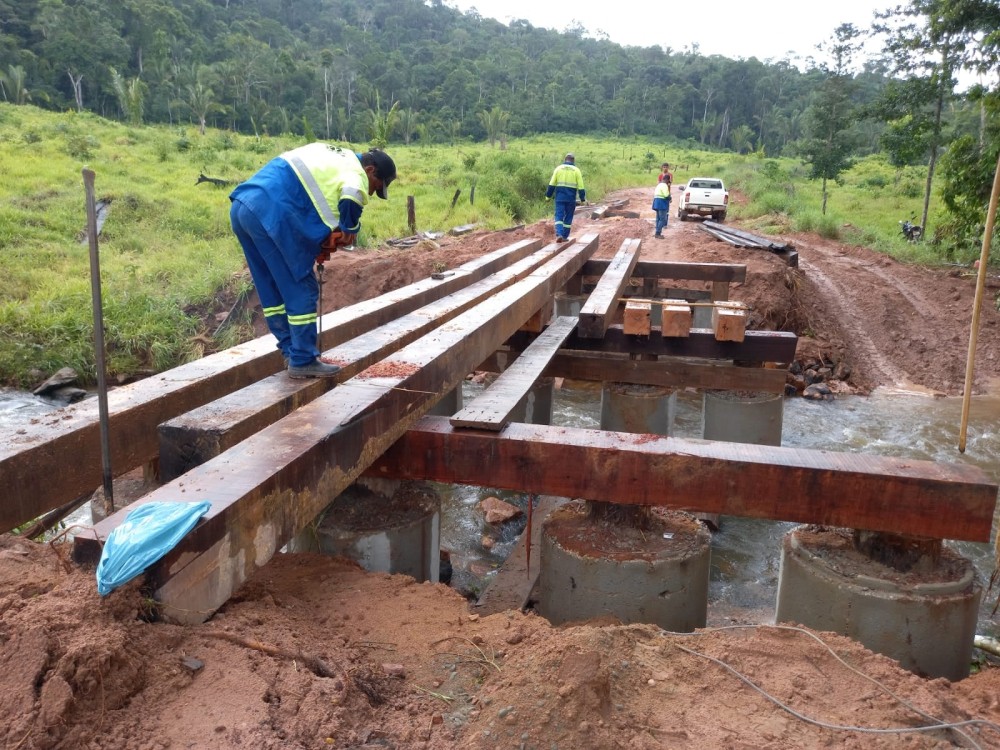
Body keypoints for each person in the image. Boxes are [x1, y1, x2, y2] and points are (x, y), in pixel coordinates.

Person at [229, 143, 396, 378]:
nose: (371, 193)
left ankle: (290, 352)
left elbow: (303, 197)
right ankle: (303, 359)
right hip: (270, 214)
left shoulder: (330, 153)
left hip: (243, 206)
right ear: (369, 170)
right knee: (301, 288)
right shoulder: (356, 174)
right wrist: (349, 228)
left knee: (271, 288)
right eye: (375, 187)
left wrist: (319, 240)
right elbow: (351, 198)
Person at [545, 153, 586, 243]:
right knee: (568, 216)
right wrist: (583, 199)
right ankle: (564, 236)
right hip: (571, 199)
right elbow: (581, 187)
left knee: (559, 216)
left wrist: (548, 197)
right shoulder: (576, 170)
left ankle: (559, 234)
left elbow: (551, 185)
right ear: (573, 160)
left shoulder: (558, 169)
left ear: (565, 159)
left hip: (559, 198)